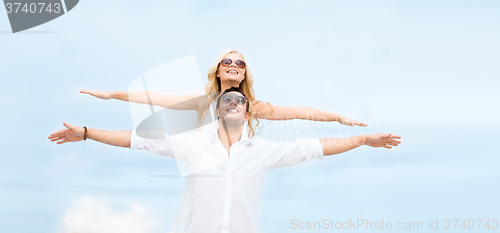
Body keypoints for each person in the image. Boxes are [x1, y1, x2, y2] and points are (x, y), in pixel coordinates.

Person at [49, 87, 401, 233]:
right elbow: (135, 140)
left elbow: (317, 147)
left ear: (249, 114)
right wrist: (86, 131)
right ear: (216, 111)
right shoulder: (192, 145)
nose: (234, 103)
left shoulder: (264, 151)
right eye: (226, 101)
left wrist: (362, 139)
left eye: (241, 101)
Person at [80, 50, 367, 138]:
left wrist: (338, 118)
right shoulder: (202, 102)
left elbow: (303, 111)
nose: (233, 65)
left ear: (243, 74)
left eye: (239, 63)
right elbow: (152, 96)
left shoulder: (255, 106)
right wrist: (111, 94)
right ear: (218, 71)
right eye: (226, 62)